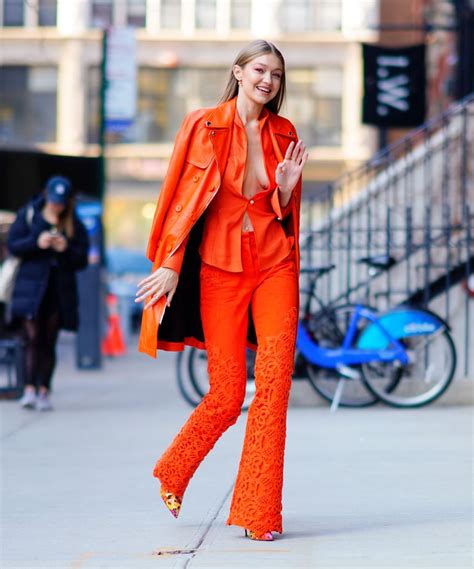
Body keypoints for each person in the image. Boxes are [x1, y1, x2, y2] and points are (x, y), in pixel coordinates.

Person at [136, 40, 308, 541]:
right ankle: (174, 467)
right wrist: (170, 263)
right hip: (219, 270)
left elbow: (281, 210)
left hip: (275, 267)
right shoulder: (203, 124)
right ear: (238, 71)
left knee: (274, 389)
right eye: (260, 69)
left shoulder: (284, 132)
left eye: (276, 74)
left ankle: (260, 513)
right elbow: (180, 198)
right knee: (228, 395)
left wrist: (286, 187)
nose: (268, 81)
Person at [8, 176, 89, 411]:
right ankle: (29, 389)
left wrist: (65, 249)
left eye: (61, 202)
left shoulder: (74, 222)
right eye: (54, 201)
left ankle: (44, 389)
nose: (57, 206)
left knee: (49, 340)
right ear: (46, 196)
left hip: (58, 290)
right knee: (31, 338)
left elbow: (82, 259)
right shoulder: (29, 215)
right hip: (31, 288)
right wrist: (37, 241)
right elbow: (14, 245)